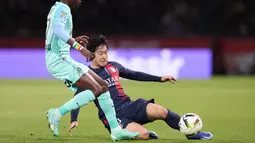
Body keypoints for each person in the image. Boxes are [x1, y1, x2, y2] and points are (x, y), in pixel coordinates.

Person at [68, 35, 214, 140]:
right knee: (143, 135)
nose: (104, 56)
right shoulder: (87, 75)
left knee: (161, 111)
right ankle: (132, 132)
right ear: (92, 54)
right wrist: (73, 119)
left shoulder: (114, 66)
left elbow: (135, 74)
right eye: (100, 53)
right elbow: (77, 98)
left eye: (106, 52)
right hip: (114, 118)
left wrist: (159, 79)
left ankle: (191, 133)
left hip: (129, 105)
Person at [45, 0, 139, 141]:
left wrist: (73, 39)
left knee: (102, 86)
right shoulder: (63, 8)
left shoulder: (56, 8)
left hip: (62, 58)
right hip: (59, 61)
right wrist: (79, 47)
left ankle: (116, 130)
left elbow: (54, 35)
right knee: (96, 88)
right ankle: (57, 113)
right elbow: (58, 31)